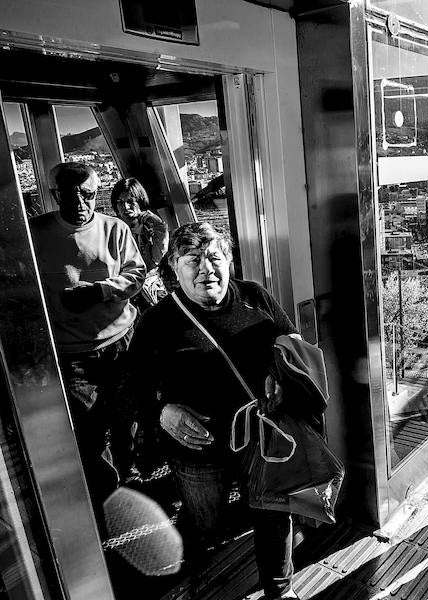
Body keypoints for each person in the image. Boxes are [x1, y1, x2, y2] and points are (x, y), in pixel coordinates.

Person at [126, 222, 299, 599]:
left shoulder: (254, 296)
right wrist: (162, 411)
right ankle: (202, 576)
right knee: (208, 523)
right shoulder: (157, 322)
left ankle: (279, 589)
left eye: (215, 257)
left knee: (273, 514)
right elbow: (132, 382)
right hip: (198, 450)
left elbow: (291, 341)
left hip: (261, 437)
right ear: (174, 266)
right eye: (193, 260)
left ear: (229, 261)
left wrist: (281, 373)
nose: (207, 269)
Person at [29, 162, 146, 506]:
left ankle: (130, 476)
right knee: (89, 427)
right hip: (71, 351)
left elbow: (135, 273)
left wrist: (100, 291)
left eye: (89, 194)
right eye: (70, 194)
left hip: (121, 341)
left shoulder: (116, 228)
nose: (81, 202)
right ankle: (109, 493)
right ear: (54, 195)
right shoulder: (34, 234)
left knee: (128, 414)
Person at [111, 177, 169, 306]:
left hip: (148, 286)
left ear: (140, 202)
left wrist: (158, 229)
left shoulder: (152, 226)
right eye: (120, 202)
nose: (125, 207)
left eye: (131, 202)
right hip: (122, 287)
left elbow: (156, 260)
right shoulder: (113, 228)